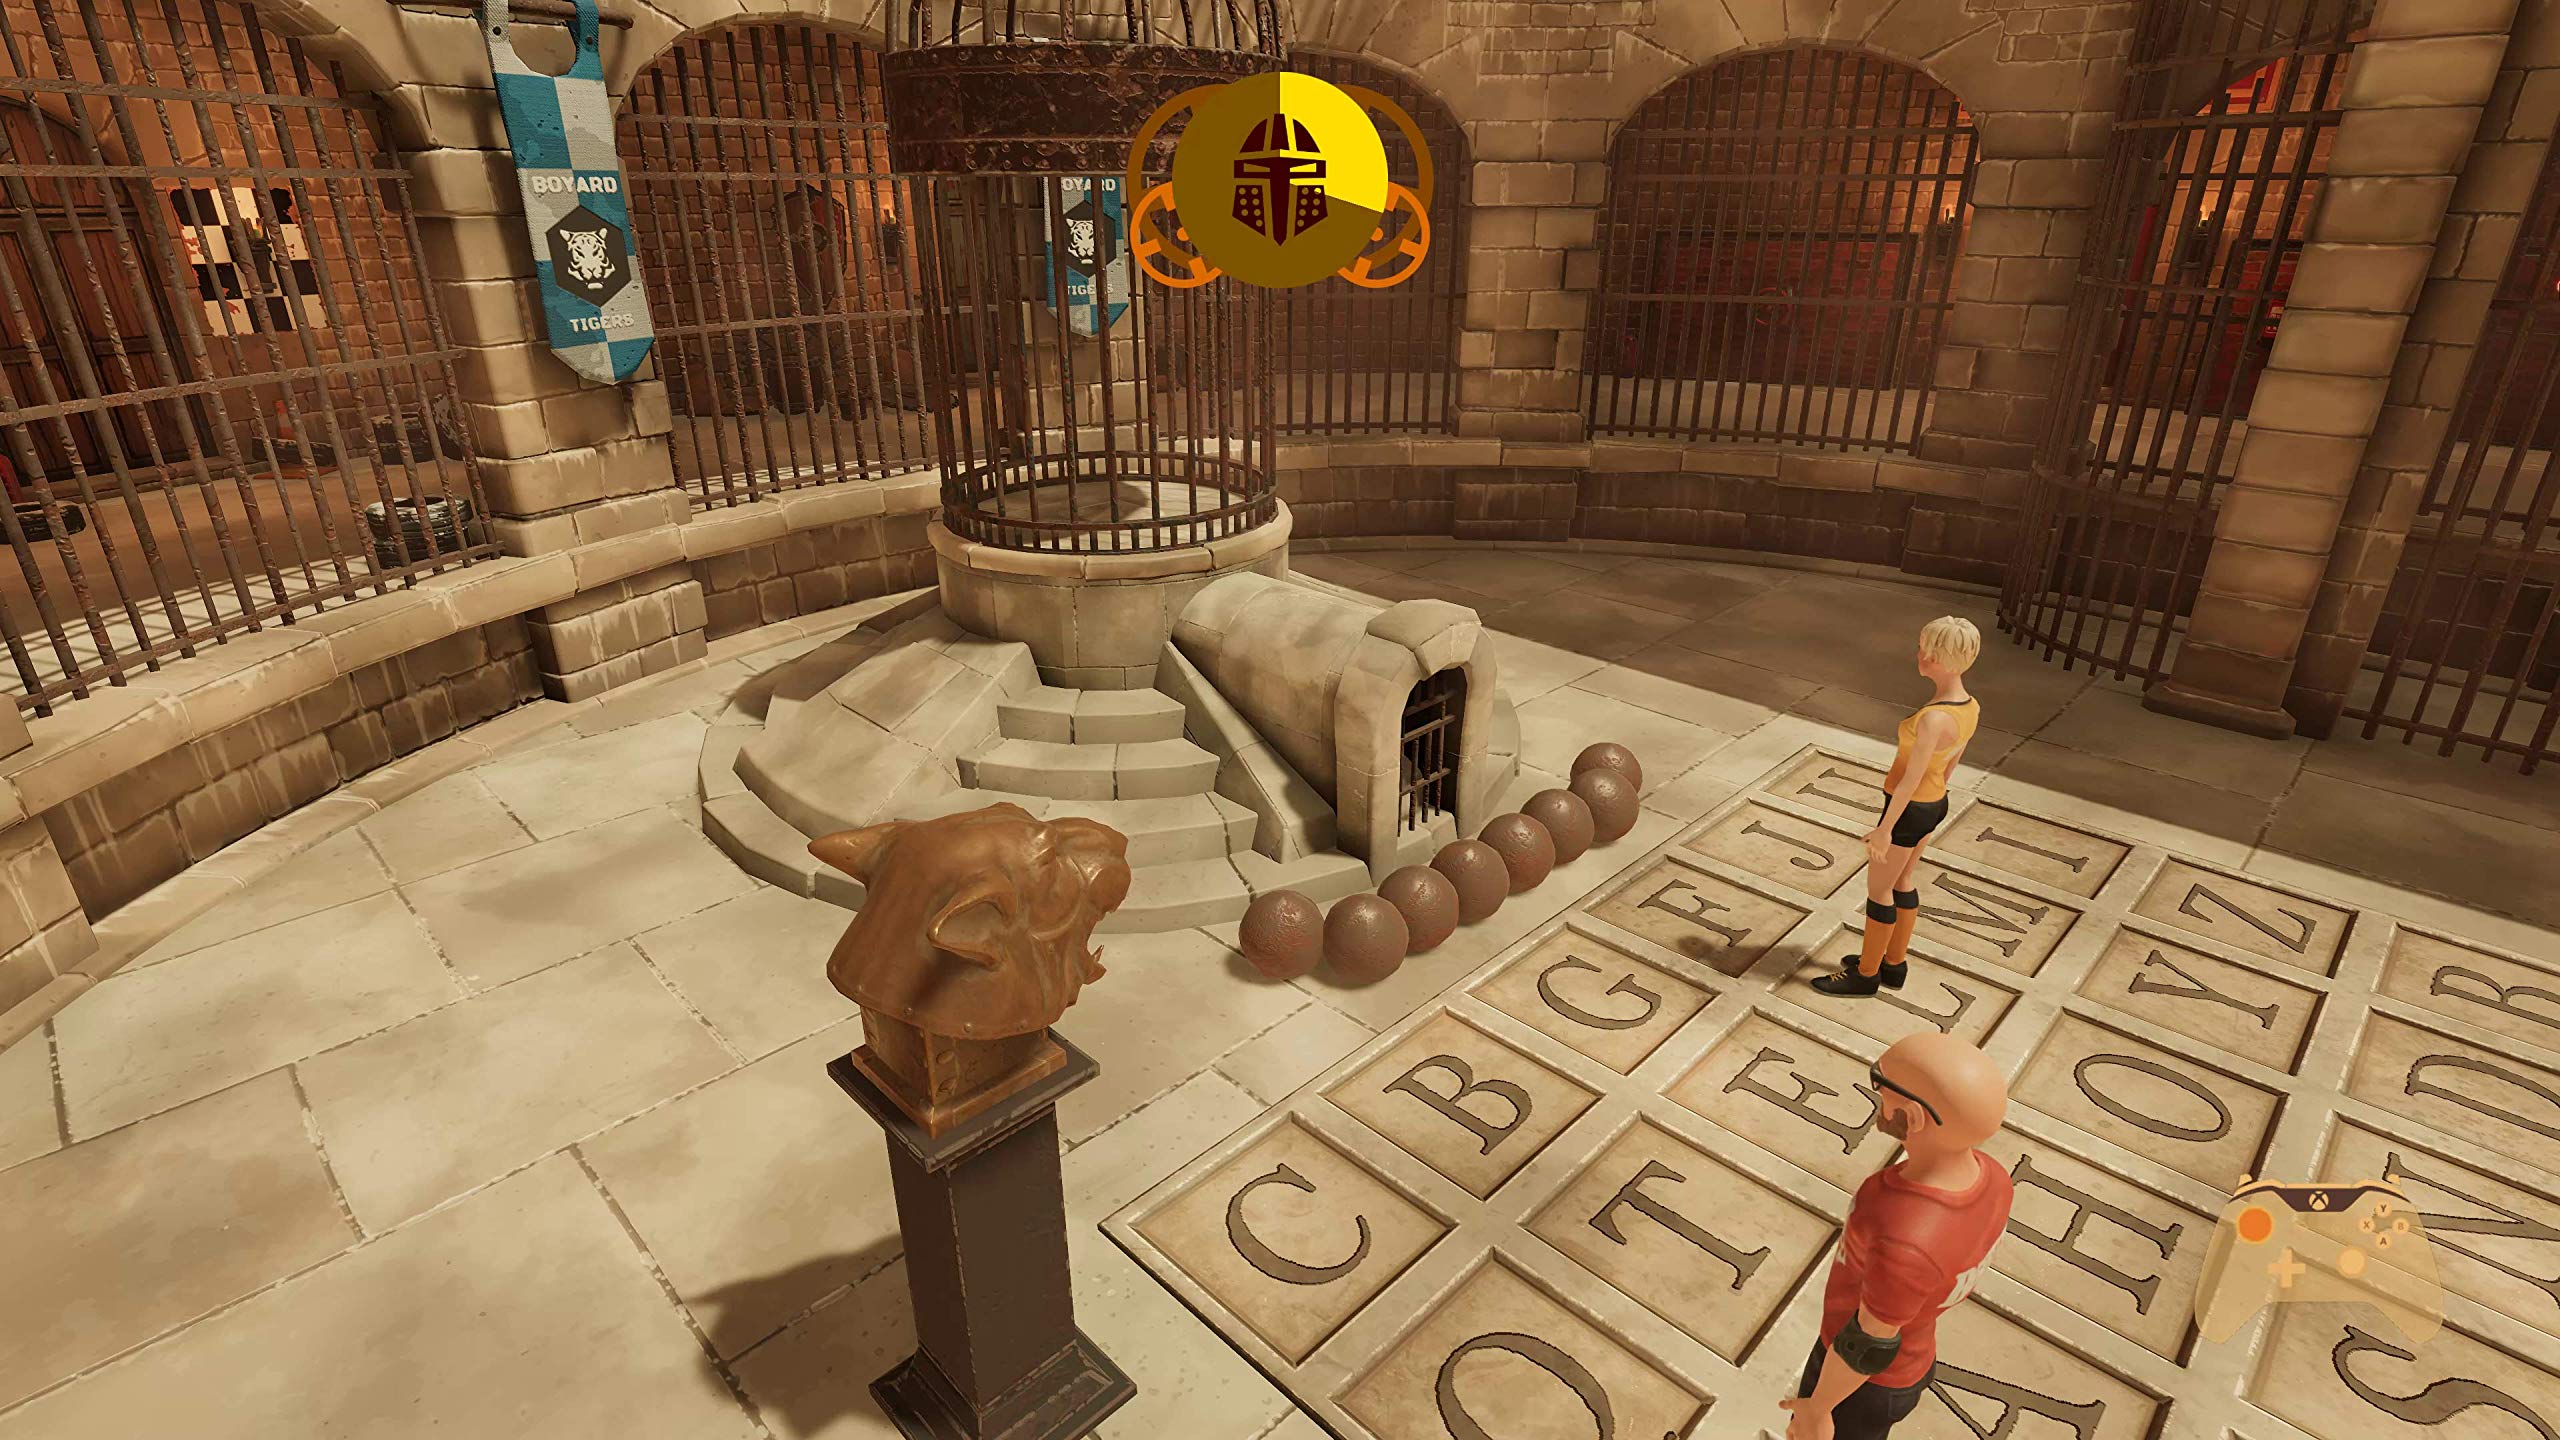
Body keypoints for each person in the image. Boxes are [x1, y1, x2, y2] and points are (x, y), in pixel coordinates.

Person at [1779, 1032, 2013, 1440]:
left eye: (1882, 1085)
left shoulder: (1902, 1231)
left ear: (1914, 1115)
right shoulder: (1994, 1178)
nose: (1878, 1096)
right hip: (1914, 1356)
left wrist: (1818, 1409)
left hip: (1860, 1384)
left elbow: (1869, 1343)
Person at [1812, 616, 1981, 998]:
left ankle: (1866, 975)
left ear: (1940, 657)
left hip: (1909, 808)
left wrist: (1884, 830)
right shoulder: (1969, 706)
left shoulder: (1933, 719)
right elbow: (1952, 761)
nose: (1919, 655)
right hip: (1934, 803)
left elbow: (1909, 780)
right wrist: (1934, 799)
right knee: (1903, 880)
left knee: (1879, 890)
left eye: (1926, 649)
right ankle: (1894, 963)